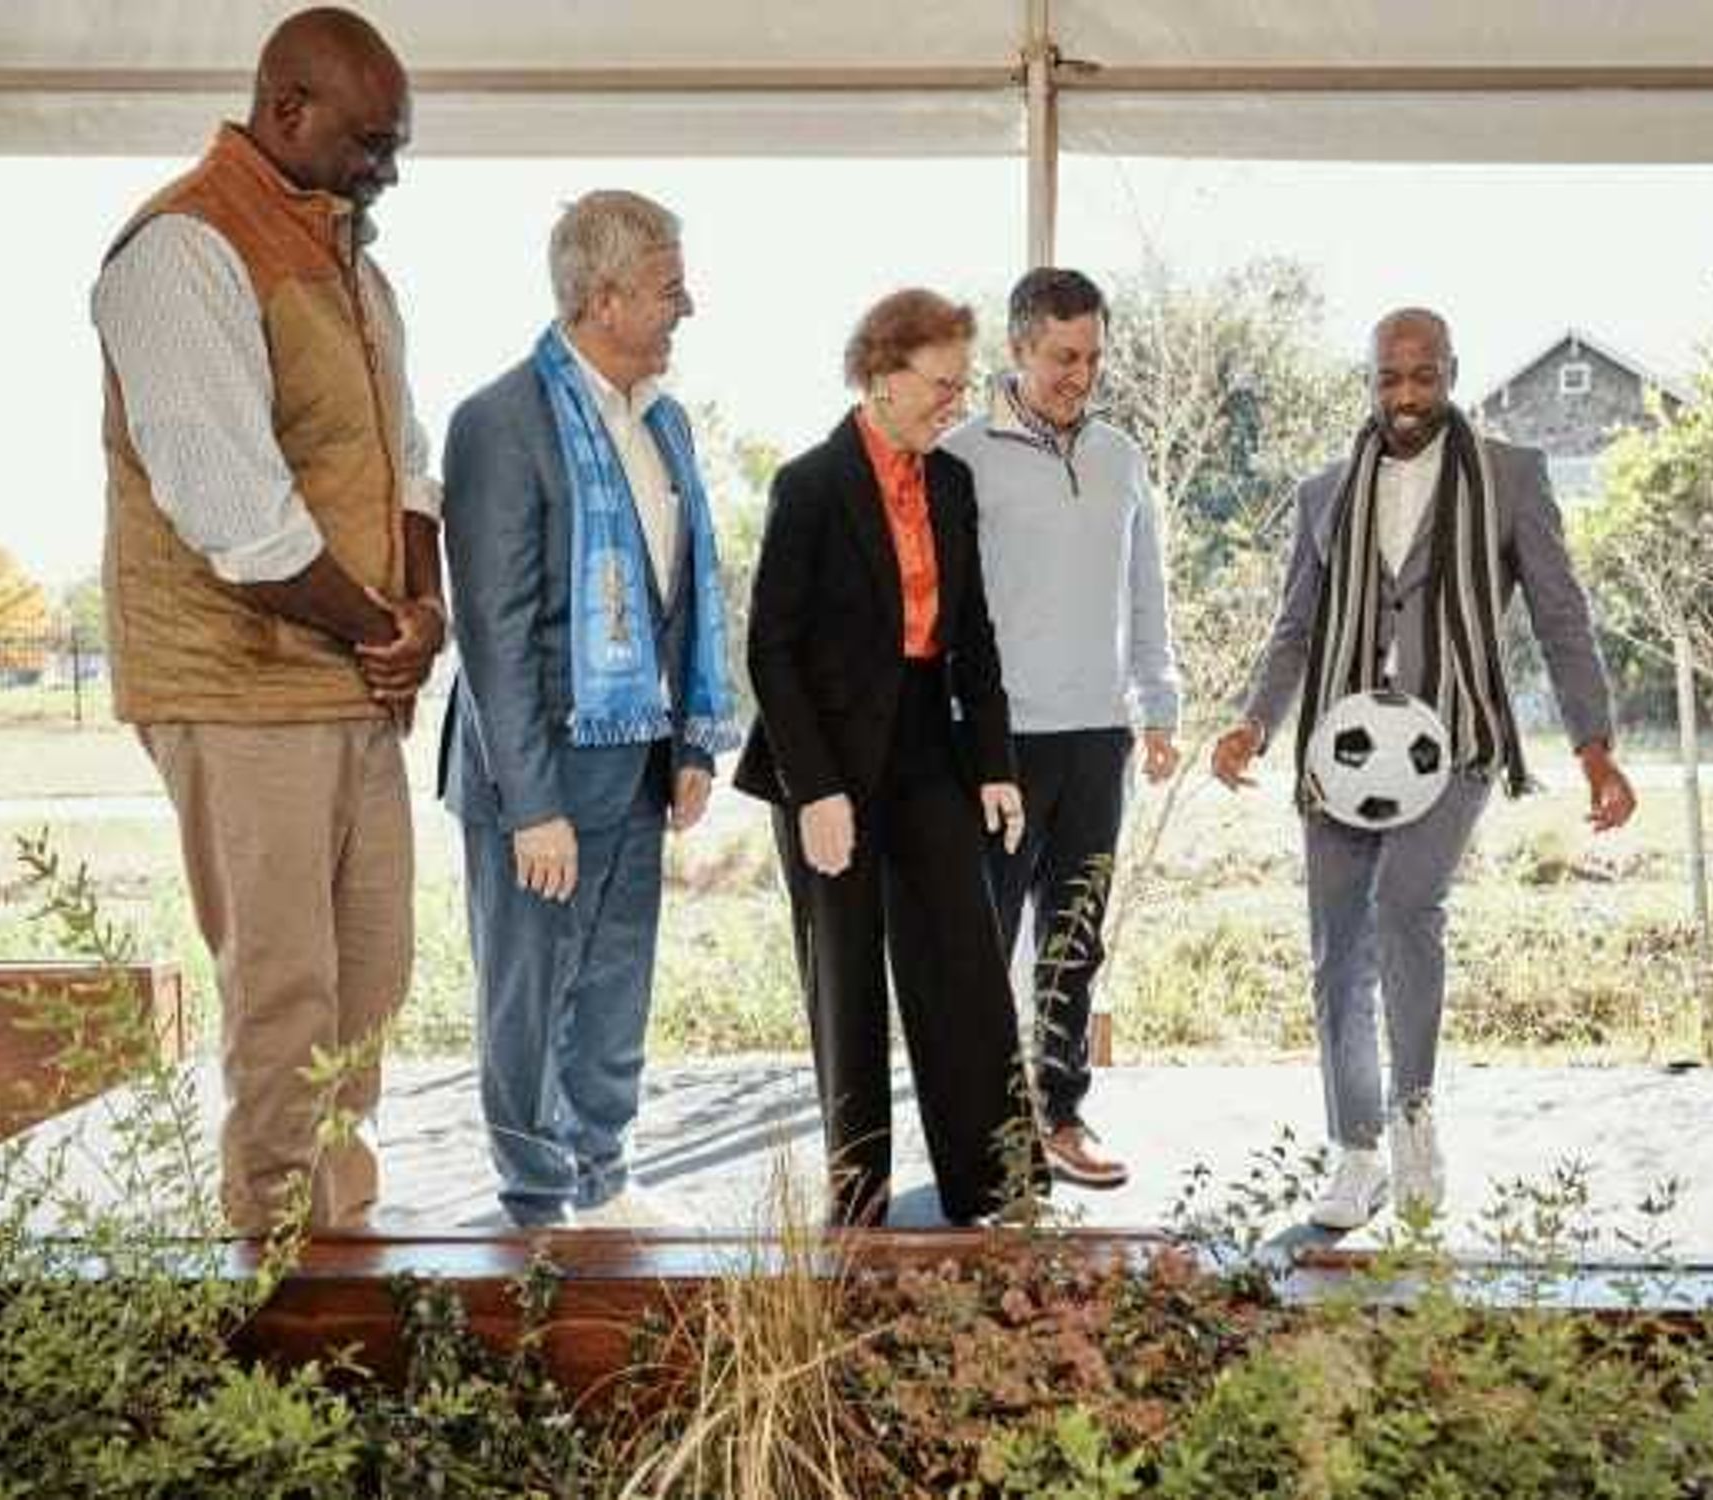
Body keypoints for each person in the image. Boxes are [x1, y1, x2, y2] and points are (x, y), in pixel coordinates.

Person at [92, 7, 445, 1235]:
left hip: (351, 679)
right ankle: (276, 1269)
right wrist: (380, 628)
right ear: (287, 110)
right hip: (240, 684)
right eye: (371, 143)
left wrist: (422, 605)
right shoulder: (183, 249)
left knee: (369, 978)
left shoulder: (348, 261)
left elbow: (405, 460)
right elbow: (232, 509)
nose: (385, 170)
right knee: (285, 986)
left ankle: (339, 1237)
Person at [1211, 307, 1636, 1230]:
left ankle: (1413, 1115)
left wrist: (1595, 747)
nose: (1406, 398)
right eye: (1388, 380)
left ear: (1452, 371)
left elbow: (1562, 617)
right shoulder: (1325, 492)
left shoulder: (1511, 478)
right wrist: (1252, 724)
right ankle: (1356, 1150)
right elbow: (1294, 628)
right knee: (1336, 947)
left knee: (1405, 907)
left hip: (1457, 743)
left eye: (1424, 377)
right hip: (1343, 749)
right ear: (1370, 380)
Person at [441, 190, 738, 1229]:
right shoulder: (497, 421)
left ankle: (600, 1176)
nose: (685, 308)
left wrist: (693, 737)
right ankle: (533, 1197)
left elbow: (685, 587)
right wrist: (530, 803)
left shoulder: (666, 425)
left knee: (614, 987)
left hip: (638, 757)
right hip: (535, 771)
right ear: (602, 297)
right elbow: (492, 629)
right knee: (529, 996)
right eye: (667, 289)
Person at [735, 288, 1043, 1228]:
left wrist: (994, 763)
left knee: (961, 954)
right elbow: (769, 650)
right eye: (941, 384)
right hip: (823, 749)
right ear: (881, 375)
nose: (956, 401)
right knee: (847, 974)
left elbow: (975, 635)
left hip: (924, 742)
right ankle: (856, 1191)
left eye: (961, 383)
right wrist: (817, 788)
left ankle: (995, 1181)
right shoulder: (811, 485)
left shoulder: (951, 484)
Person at [944, 268, 1180, 1191]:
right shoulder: (963, 455)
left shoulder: (1121, 454)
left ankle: (1063, 1114)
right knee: (984, 938)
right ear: (1018, 349)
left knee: (1074, 936)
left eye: (1092, 357)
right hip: (998, 743)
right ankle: (987, 1130)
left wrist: (1155, 704)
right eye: (1061, 357)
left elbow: (1144, 586)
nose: (1079, 374)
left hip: (1096, 737)